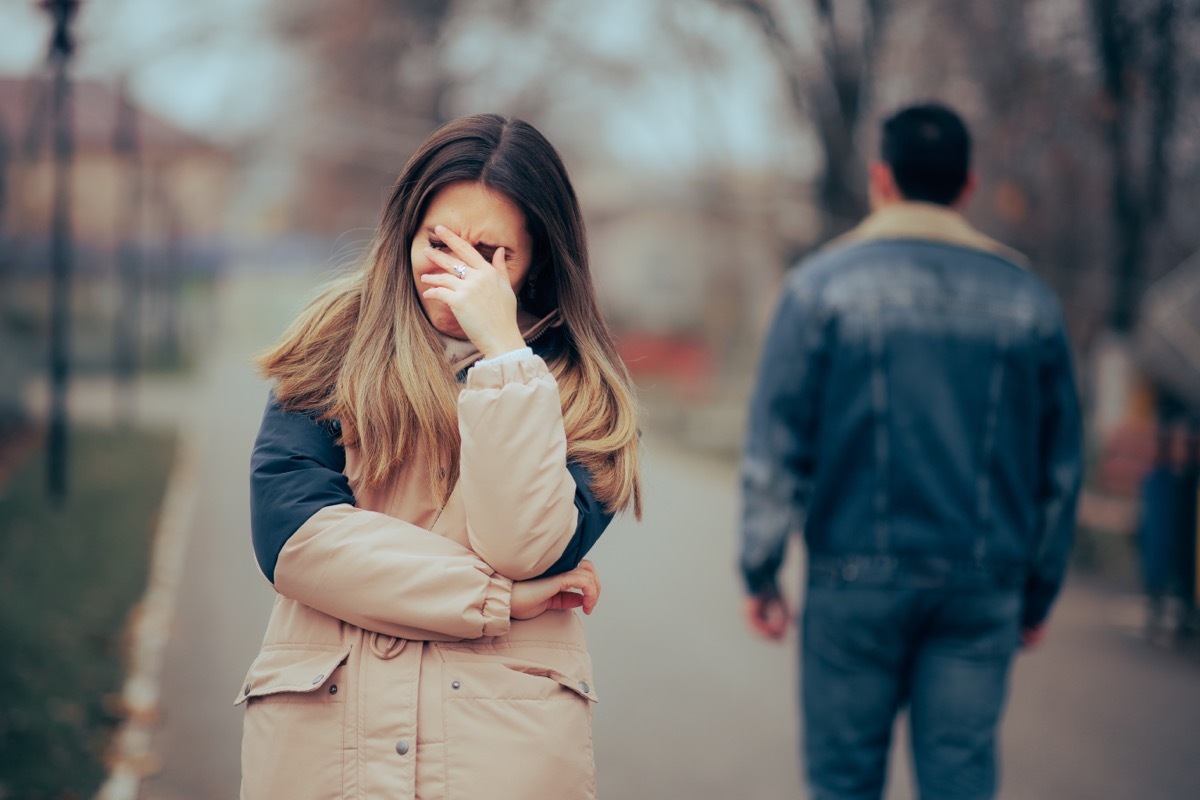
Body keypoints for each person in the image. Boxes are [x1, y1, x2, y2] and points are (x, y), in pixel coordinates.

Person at [236, 113, 642, 800]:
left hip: (497, 753)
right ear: (406, 230)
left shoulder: (584, 394)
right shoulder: (330, 345)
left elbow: (524, 549)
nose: (455, 269)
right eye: (438, 240)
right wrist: (497, 600)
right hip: (326, 738)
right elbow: (294, 539)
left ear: (536, 258)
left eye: (488, 253)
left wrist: (507, 359)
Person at [738, 103, 1082, 800]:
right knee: (960, 780)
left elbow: (776, 439)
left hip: (851, 580)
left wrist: (762, 567)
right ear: (968, 188)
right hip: (984, 587)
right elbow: (1060, 466)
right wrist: (1038, 589)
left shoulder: (818, 288)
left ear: (880, 179)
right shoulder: (1030, 302)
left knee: (843, 783)